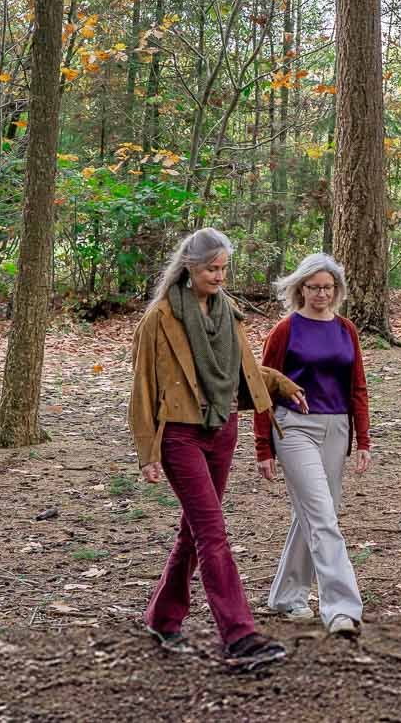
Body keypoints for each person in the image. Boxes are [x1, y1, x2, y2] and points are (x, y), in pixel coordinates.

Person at [129, 227, 306, 666]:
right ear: (189, 267)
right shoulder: (160, 318)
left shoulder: (228, 311)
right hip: (180, 435)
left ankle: (162, 617)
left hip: (223, 430)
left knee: (194, 532)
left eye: (224, 268)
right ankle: (240, 635)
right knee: (212, 533)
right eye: (212, 268)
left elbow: (239, 369)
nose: (220, 276)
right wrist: (147, 452)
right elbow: (143, 387)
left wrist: (279, 384)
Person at [254, 252, 372, 638]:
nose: (321, 294)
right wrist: (263, 447)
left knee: (316, 513)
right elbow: (262, 388)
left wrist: (363, 439)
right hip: (294, 427)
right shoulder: (285, 330)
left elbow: (357, 387)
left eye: (328, 288)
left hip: (336, 427)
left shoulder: (346, 330)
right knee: (322, 516)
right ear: (300, 288)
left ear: (337, 290)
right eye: (314, 287)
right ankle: (341, 608)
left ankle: (287, 595)